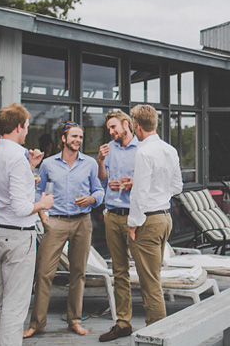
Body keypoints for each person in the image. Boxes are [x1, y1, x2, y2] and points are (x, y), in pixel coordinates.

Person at [23, 122, 104, 338]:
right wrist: (43, 216)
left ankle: (74, 320)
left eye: (80, 137)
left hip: (82, 222)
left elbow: (99, 189)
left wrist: (93, 198)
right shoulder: (48, 164)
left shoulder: (90, 163)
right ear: (63, 138)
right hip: (56, 221)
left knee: (78, 273)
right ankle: (37, 323)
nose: (78, 140)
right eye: (74, 136)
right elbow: (37, 191)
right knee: (43, 273)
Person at [0, 103, 54, 346]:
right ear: (17, 127)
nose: (27, 131)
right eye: (25, 126)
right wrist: (42, 203)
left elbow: (3, 189)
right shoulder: (17, 158)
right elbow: (22, 208)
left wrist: (30, 167)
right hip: (18, 236)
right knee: (16, 305)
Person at [127, 104, 183, 326]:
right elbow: (177, 187)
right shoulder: (169, 149)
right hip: (165, 217)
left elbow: (139, 194)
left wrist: (132, 224)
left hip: (148, 221)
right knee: (154, 277)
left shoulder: (143, 152)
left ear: (137, 126)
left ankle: (158, 332)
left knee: (150, 283)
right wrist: (159, 192)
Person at [97, 110, 139, 342]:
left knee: (144, 270)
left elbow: (151, 183)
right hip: (112, 215)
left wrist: (133, 183)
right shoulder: (109, 149)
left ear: (126, 124)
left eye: (114, 127)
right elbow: (103, 179)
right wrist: (101, 161)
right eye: (109, 129)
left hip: (135, 216)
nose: (111, 132)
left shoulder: (142, 149)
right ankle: (123, 322)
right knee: (119, 271)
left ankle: (157, 323)